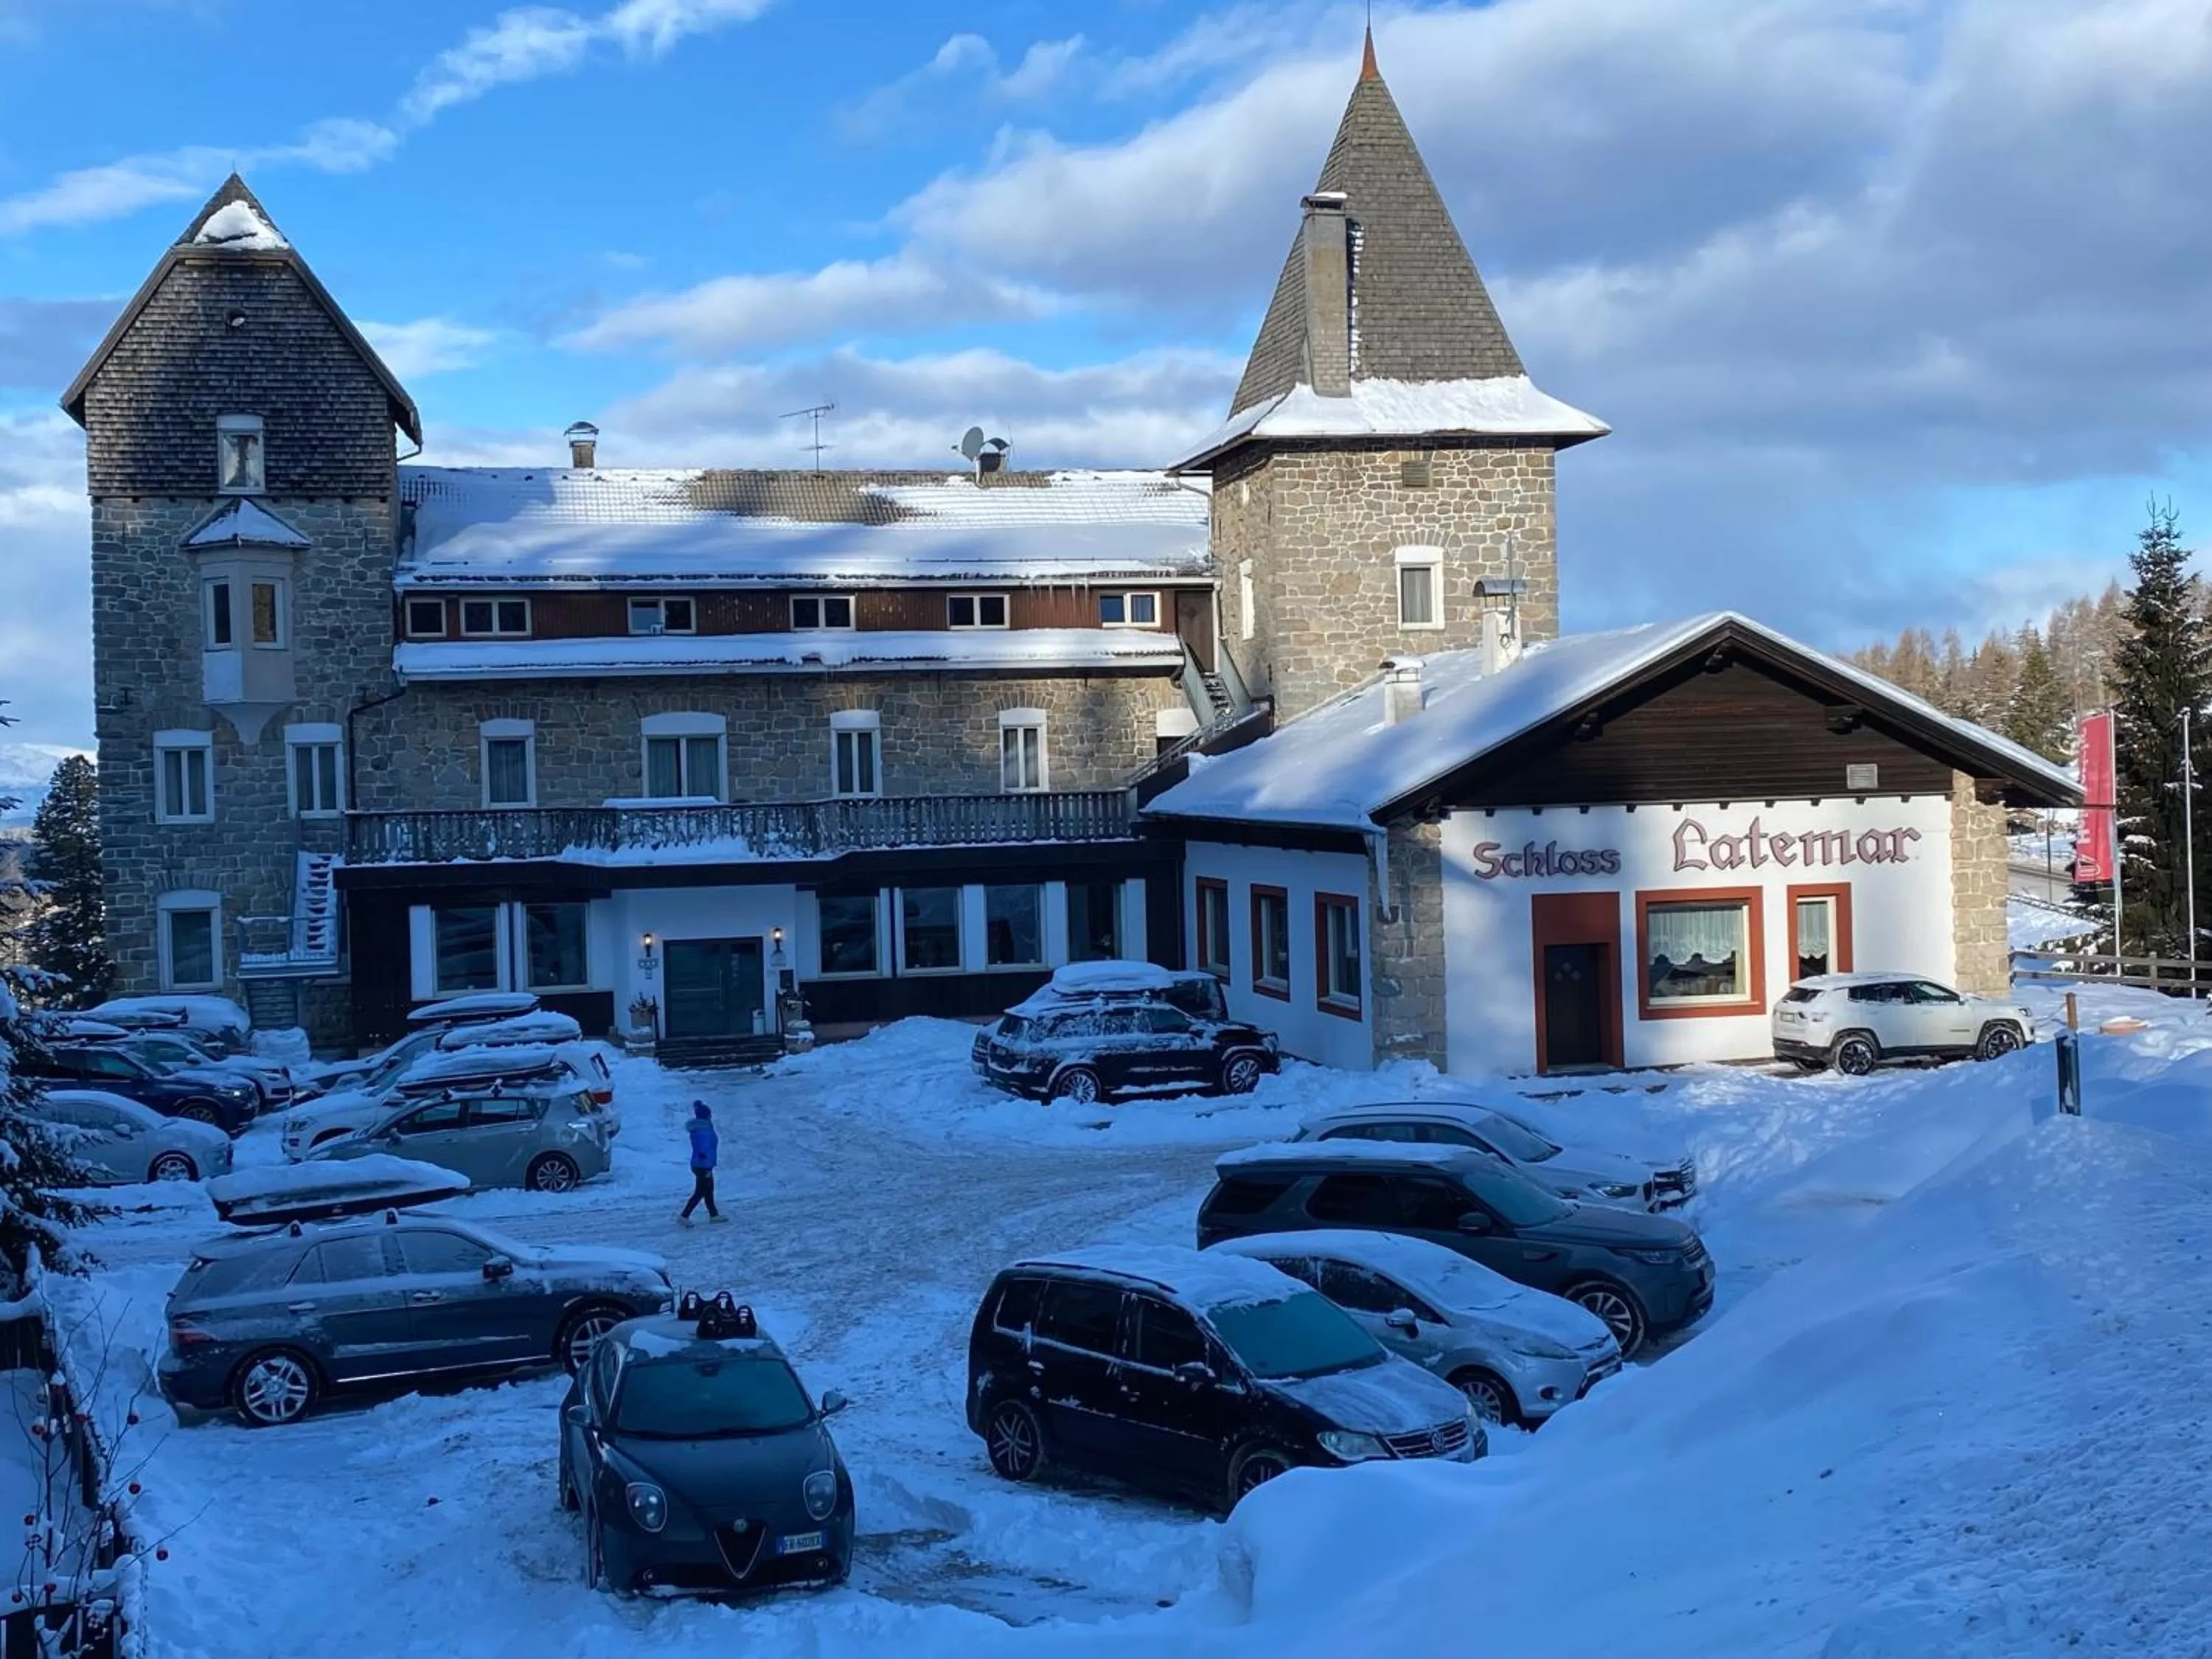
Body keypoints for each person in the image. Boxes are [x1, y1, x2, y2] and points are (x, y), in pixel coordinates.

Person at [679, 1099, 723, 1223]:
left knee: (708, 1190)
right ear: (707, 1116)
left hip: (702, 1164)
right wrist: (707, 1167)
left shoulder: (704, 1127)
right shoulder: (703, 1130)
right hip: (703, 1165)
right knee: (700, 1192)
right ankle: (684, 1216)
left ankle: (714, 1215)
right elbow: (703, 1148)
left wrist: (698, 1106)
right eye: (709, 1114)